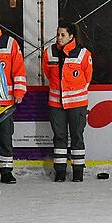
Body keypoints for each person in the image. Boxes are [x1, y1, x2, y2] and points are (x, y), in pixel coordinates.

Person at [42, 20, 93, 182]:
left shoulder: (83, 53)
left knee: (77, 136)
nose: (59, 37)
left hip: (77, 104)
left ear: (71, 36)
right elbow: (48, 74)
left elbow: (87, 78)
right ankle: (60, 171)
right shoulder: (48, 52)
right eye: (57, 34)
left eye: (62, 35)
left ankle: (78, 172)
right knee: (59, 136)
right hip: (56, 103)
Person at [0, 9, 27, 184]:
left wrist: (19, 92)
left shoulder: (10, 43)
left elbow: (18, 70)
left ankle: (6, 170)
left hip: (5, 100)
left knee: (6, 136)